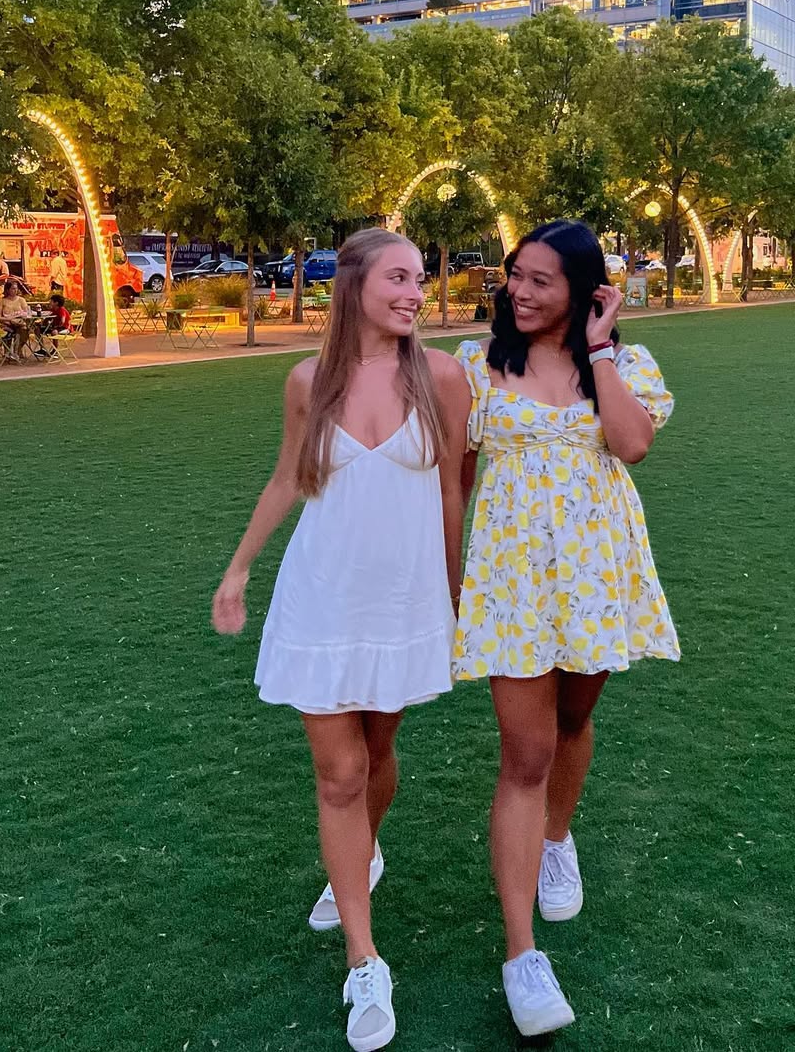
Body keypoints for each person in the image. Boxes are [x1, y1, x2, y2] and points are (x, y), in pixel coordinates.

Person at [210, 228, 470, 1052]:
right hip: (320, 601)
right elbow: (287, 477)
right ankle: (365, 960)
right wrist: (238, 570)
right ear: (353, 283)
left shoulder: (442, 377)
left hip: (403, 605)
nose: (414, 291)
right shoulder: (306, 381)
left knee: (379, 754)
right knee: (341, 773)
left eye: (419, 278)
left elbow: (453, 494)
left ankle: (361, 856)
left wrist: (456, 593)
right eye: (398, 276)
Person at [453, 219, 679, 1038]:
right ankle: (522, 955)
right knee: (526, 754)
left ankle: (557, 837)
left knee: (575, 722)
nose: (518, 289)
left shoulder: (624, 364)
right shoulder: (476, 367)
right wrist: (449, 579)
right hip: (514, 583)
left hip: (598, 578)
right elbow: (455, 482)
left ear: (584, 291)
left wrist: (601, 348)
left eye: (541, 279)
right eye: (517, 274)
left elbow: (633, 443)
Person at [0, 279, 35, 360]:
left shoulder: (21, 300)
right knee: (7, 329)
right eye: (13, 288)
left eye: (16, 288)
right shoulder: (1, 301)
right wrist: (8, 320)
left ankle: (17, 350)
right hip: (6, 323)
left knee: (24, 329)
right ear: (8, 290)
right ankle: (8, 352)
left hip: (19, 323)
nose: (15, 290)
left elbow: (26, 313)